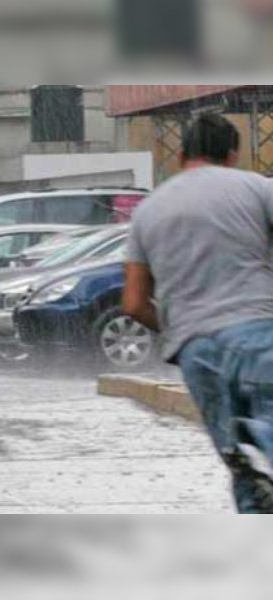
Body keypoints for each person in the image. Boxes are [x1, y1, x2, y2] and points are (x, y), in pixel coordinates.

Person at [123, 113, 273, 513]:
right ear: (233, 155)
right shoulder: (257, 188)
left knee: (247, 476)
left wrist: (180, 330)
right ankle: (258, 443)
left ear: (181, 156)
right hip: (257, 335)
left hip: (195, 352)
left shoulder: (147, 212)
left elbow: (133, 303)